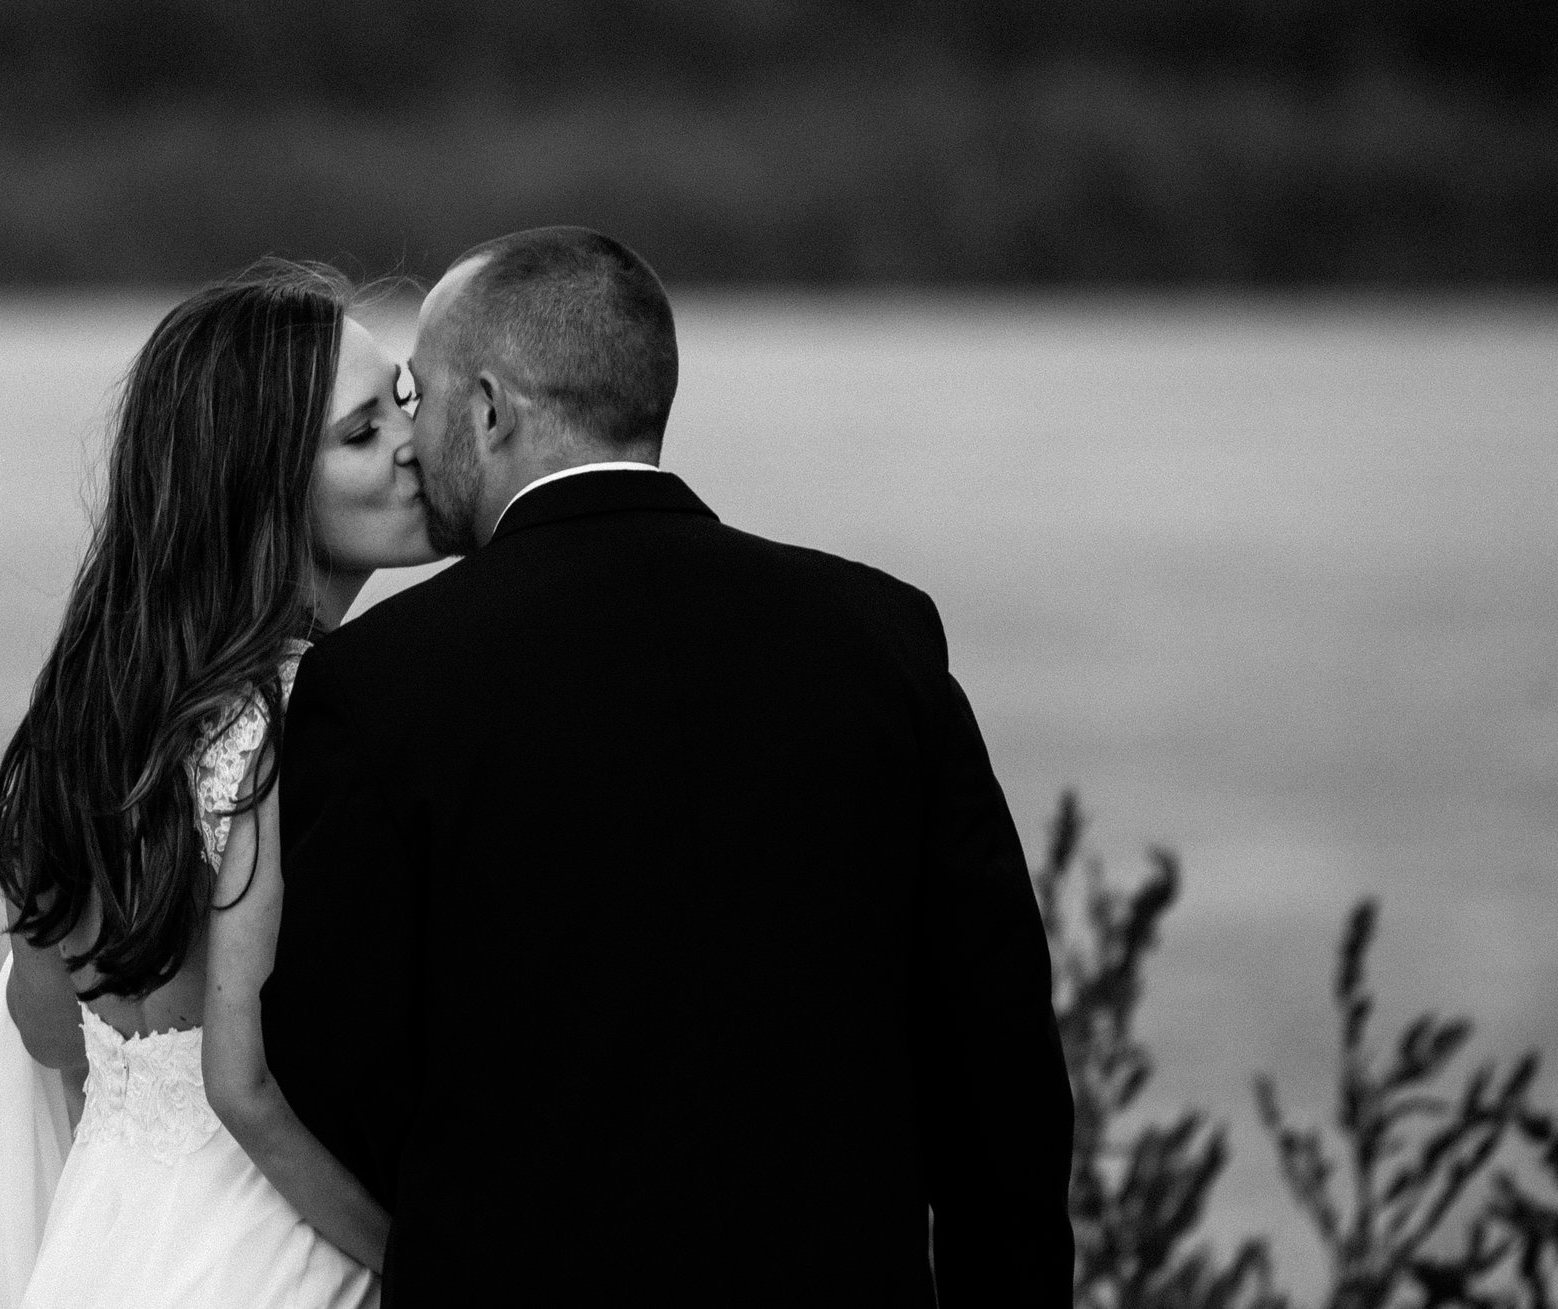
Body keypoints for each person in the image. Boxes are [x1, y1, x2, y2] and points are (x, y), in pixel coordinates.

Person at [261, 226, 1075, 1305]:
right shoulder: (878, 636)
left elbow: (330, 1056)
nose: (411, 437)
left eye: (422, 395)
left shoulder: (381, 683)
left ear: (491, 409)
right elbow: (998, 1064)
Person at [0, 260, 438, 1308]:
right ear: (259, 486)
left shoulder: (94, 721)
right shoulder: (303, 718)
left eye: (403, 402)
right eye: (361, 433)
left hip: (98, 1252)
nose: (415, 445)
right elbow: (246, 1088)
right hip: (272, 1259)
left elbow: (47, 1027)